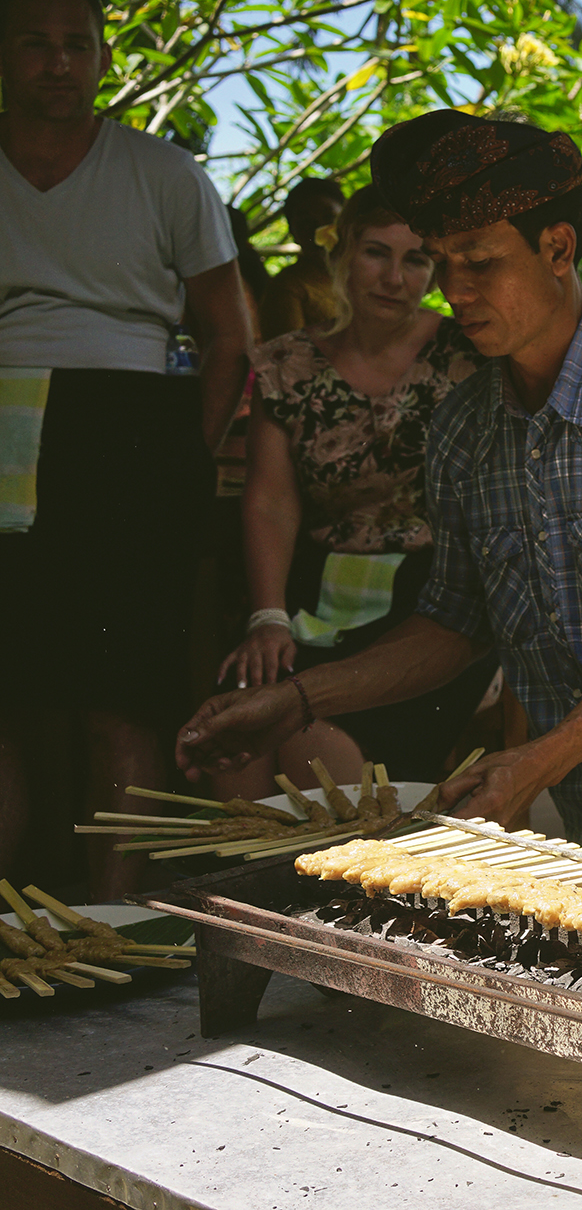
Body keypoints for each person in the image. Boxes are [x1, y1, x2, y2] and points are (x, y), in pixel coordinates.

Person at [176, 109, 582, 895]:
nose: (453, 291)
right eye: (443, 264)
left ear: (558, 249)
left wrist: (534, 761)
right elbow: (453, 622)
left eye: (479, 263)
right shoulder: (461, 428)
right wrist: (293, 700)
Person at [0, 0, 255, 899]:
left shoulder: (164, 173)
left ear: (104, 58)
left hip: (131, 432)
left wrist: (174, 459)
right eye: (35, 40)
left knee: (125, 693)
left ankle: (116, 918)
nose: (58, 62)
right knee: (7, 692)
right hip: (4, 423)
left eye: (78, 43)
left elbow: (229, 337)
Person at [210, 183, 495, 799]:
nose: (393, 277)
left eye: (415, 259)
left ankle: (347, 886)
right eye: (374, 253)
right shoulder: (288, 364)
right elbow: (270, 501)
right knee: (237, 752)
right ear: (339, 256)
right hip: (315, 595)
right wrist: (268, 617)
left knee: (314, 749)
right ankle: (257, 894)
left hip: (435, 607)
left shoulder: (467, 356)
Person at [258, 176, 345, 339]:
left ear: (347, 222)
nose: (320, 230)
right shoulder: (287, 288)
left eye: (329, 218)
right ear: (294, 234)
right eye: (307, 223)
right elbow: (289, 358)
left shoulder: (369, 273)